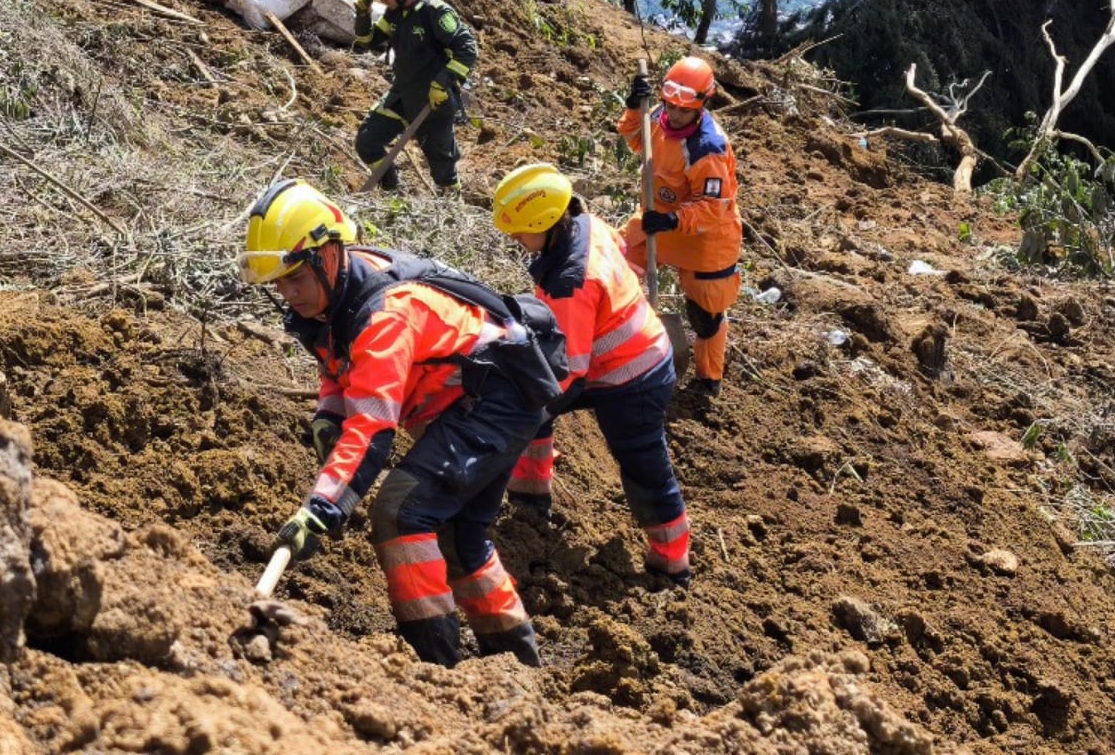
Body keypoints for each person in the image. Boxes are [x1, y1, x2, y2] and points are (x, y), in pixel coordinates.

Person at [241, 179, 565, 668]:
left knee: (401, 512)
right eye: (278, 284)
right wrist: (329, 415)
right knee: (459, 535)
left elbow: (372, 429)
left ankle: (435, 669)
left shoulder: (384, 316)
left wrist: (322, 509)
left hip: (497, 399)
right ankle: (518, 664)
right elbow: (341, 369)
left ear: (329, 254)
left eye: (295, 278)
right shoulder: (338, 295)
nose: (289, 295)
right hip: (481, 399)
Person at [492, 163, 693, 586]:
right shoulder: (588, 223)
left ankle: (671, 561)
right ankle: (530, 495)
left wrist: (529, 401)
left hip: (633, 376)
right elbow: (620, 251)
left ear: (548, 223)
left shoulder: (570, 283)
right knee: (532, 405)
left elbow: (570, 370)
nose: (516, 240)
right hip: (620, 352)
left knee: (642, 460)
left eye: (521, 231)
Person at [617, 56, 743, 400]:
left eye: (682, 111)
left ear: (702, 105)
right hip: (659, 221)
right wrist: (633, 107)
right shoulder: (656, 117)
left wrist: (673, 219)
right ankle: (617, 350)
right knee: (618, 268)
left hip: (707, 238)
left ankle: (707, 381)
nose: (673, 115)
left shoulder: (709, 148)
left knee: (706, 315)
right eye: (669, 105)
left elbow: (712, 208)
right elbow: (634, 138)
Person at [350, 0, 477, 191]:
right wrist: (363, 14)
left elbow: (467, 49)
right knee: (367, 142)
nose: (382, 1)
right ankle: (392, 192)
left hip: (434, 102)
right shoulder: (395, 13)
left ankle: (451, 213)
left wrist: (442, 83)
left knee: (443, 170)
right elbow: (368, 42)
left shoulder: (435, 12)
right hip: (402, 95)